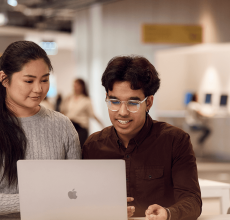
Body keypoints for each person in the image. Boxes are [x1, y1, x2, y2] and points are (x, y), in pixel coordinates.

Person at [0, 41, 81, 220]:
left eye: (45, 80)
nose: (38, 89)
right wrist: (36, 200)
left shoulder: (63, 125)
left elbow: (75, 188)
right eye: (29, 81)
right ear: (4, 79)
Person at [82, 55, 202, 220]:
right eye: (114, 101)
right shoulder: (93, 146)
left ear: (149, 103)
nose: (122, 112)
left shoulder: (175, 141)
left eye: (133, 103)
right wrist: (104, 210)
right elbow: (83, 201)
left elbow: (192, 200)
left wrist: (168, 213)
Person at [61, 79, 104, 146]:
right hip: (70, 126)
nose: (75, 88)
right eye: (74, 86)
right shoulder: (69, 98)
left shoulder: (86, 100)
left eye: (77, 86)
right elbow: (63, 111)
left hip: (81, 128)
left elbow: (92, 115)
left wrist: (102, 126)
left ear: (82, 87)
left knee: (78, 149)